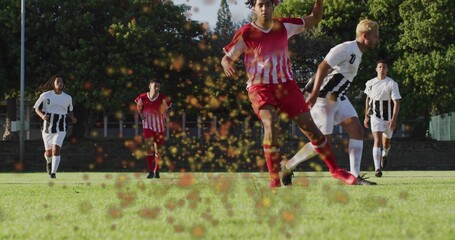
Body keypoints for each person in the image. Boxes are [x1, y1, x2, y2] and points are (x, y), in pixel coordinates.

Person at [221, 0, 365, 187]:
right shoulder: (246, 33)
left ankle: (336, 171)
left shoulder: (284, 26)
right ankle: (274, 179)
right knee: (271, 124)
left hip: (287, 86)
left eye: (268, 4)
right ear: (254, 8)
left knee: (313, 131)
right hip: (260, 88)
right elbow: (227, 57)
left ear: (274, 6)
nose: (264, 8)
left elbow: (315, 18)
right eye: (260, 5)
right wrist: (227, 64)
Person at [282, 19, 380, 185]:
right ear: (365, 36)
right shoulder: (346, 48)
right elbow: (322, 67)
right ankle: (288, 165)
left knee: (357, 131)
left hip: (339, 98)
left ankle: (354, 176)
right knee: (321, 141)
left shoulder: (358, 52)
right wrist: (313, 94)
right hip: (323, 98)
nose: (378, 39)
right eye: (376, 36)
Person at [33, 74, 77, 178]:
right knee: (48, 152)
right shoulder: (45, 95)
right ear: (53, 83)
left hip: (61, 125)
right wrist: (43, 116)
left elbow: (69, 111)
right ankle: (48, 162)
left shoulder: (67, 97)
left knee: (56, 149)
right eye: (58, 82)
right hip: (48, 126)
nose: (60, 84)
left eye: (62, 82)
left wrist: (73, 118)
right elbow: (36, 108)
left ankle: (53, 173)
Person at [364, 60, 401, 177]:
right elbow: (367, 99)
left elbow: (396, 103)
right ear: (376, 69)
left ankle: (384, 154)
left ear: (387, 70)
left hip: (388, 118)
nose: (382, 69)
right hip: (375, 117)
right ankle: (377, 169)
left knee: (386, 143)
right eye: (379, 67)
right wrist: (366, 115)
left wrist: (394, 120)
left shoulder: (392, 83)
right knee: (377, 141)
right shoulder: (370, 83)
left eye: (384, 67)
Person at [135, 79, 172, 179]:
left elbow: (167, 110)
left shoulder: (163, 98)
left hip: (159, 127)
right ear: (149, 86)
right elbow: (139, 107)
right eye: (155, 86)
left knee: (159, 151)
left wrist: (166, 115)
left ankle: (157, 170)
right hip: (147, 126)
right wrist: (141, 114)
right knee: (148, 148)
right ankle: (150, 171)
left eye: (158, 87)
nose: (157, 88)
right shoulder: (142, 97)